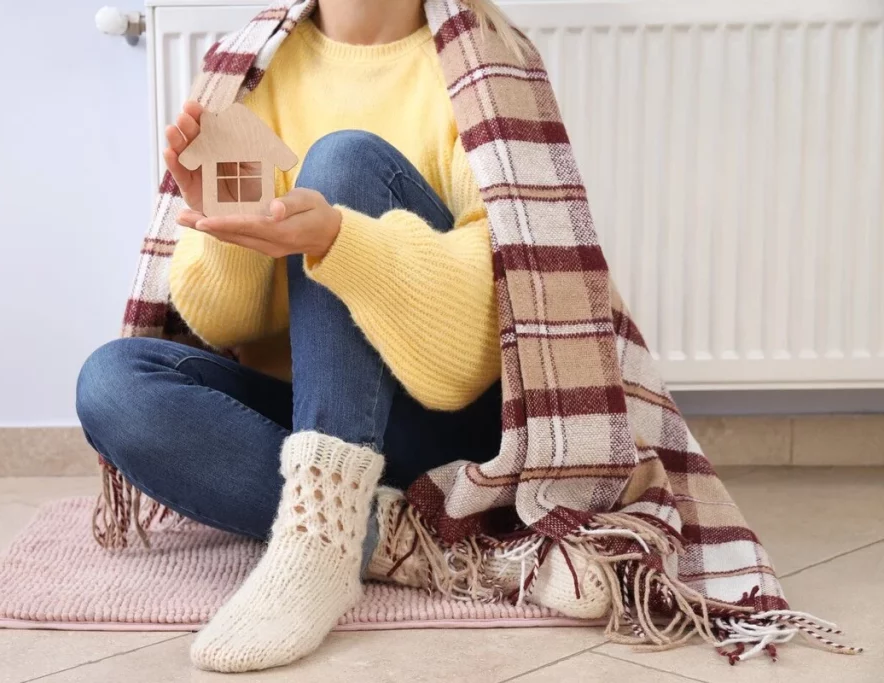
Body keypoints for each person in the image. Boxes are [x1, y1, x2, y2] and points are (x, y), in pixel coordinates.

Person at [76, 0, 608, 673]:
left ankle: (324, 536)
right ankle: (400, 539)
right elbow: (230, 326)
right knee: (111, 383)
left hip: (436, 424)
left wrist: (340, 240)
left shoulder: (489, 65)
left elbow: (470, 362)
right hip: (302, 414)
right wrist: (227, 222)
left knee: (344, 159)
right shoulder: (249, 69)